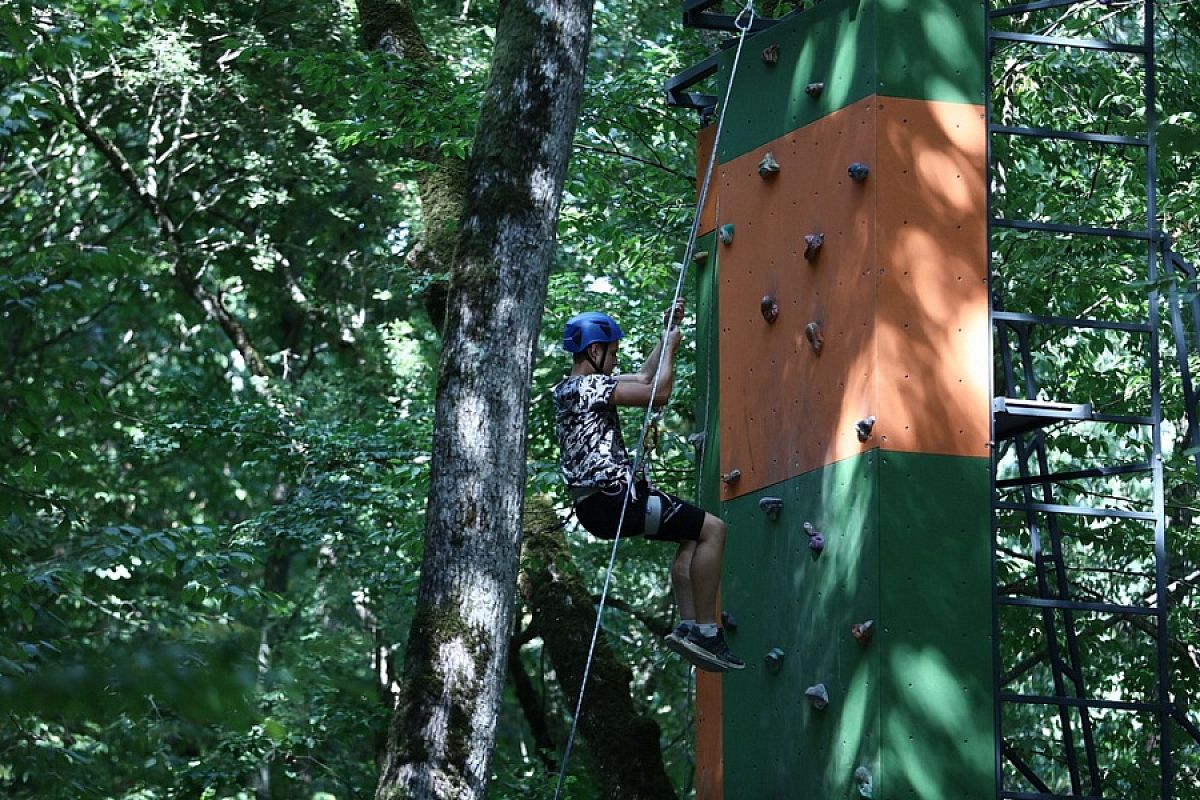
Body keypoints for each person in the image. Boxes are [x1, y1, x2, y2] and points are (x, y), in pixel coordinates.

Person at [552, 302, 743, 673]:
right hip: (615, 499)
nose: (614, 360)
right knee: (715, 530)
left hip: (602, 506)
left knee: (693, 534)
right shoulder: (584, 389)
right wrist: (671, 349)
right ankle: (706, 631)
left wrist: (664, 333)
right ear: (594, 351)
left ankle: (689, 626)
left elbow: (642, 378)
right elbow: (658, 393)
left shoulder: (573, 389)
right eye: (611, 353)